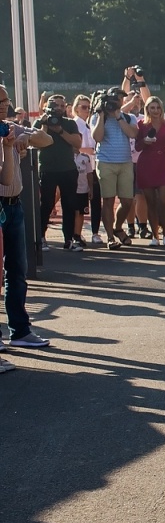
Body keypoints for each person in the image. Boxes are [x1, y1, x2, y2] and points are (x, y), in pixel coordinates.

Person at [1, 86, 53, 355]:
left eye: (5, 100)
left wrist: (24, 139)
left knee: (18, 272)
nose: (2, 104)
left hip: (14, 205)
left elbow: (46, 140)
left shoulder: (11, 127)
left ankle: (19, 330)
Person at [90, 87, 142, 249]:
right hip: (105, 162)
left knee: (127, 201)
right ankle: (110, 237)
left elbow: (133, 134)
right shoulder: (98, 117)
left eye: (120, 99)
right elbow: (97, 137)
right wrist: (102, 114)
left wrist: (119, 116)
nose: (118, 102)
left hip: (125, 162)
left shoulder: (128, 117)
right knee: (108, 200)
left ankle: (118, 227)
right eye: (116, 99)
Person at [36, 93, 84, 251]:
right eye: (56, 105)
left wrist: (60, 130)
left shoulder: (69, 123)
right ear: (48, 106)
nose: (59, 108)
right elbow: (37, 143)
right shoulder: (41, 122)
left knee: (70, 204)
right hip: (48, 169)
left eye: (62, 106)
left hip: (68, 169)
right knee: (47, 204)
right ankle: (41, 237)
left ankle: (69, 239)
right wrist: (45, 124)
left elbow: (77, 142)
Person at [133, 95, 165, 246]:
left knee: (163, 201)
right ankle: (155, 236)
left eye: (158, 107)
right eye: (152, 108)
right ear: (147, 109)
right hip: (146, 163)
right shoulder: (141, 125)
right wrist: (144, 141)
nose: (156, 110)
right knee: (150, 202)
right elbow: (137, 146)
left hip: (163, 162)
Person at [72, 95, 104, 245]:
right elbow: (74, 146)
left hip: (92, 166)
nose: (86, 110)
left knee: (96, 199)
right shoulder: (75, 124)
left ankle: (95, 232)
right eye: (83, 107)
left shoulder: (88, 124)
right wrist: (88, 150)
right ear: (76, 108)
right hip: (80, 168)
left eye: (88, 107)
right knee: (79, 202)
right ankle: (76, 233)